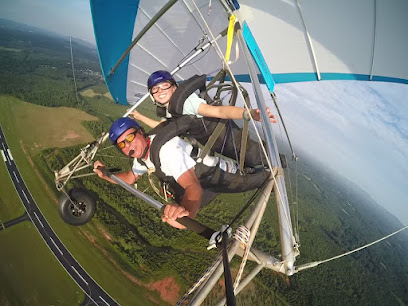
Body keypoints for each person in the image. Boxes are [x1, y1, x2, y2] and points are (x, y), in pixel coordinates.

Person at [93, 117, 269, 230]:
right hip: (206, 181)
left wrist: (185, 215)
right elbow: (130, 178)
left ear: (141, 132)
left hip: (223, 174)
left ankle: (267, 166)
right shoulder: (141, 157)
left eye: (130, 138)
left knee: (265, 179)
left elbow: (193, 188)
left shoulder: (166, 151)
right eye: (122, 144)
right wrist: (106, 175)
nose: (128, 146)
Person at [130, 70, 277, 168]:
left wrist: (249, 114)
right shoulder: (170, 109)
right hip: (214, 142)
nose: (160, 91)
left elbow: (219, 111)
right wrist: (139, 116)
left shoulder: (187, 102)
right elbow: (162, 126)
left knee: (256, 157)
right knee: (247, 161)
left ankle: (277, 162)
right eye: (155, 89)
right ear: (152, 95)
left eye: (165, 86)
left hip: (225, 137)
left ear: (174, 87)